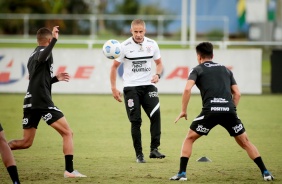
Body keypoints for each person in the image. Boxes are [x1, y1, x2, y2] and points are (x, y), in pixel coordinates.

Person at [170, 42, 274, 181]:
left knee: (189, 138)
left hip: (210, 112)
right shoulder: (226, 70)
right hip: (229, 111)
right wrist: (231, 110)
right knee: (245, 142)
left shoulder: (197, 69)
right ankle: (265, 172)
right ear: (212, 55)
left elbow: (187, 89)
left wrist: (183, 110)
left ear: (199, 56)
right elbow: (237, 94)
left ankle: (182, 174)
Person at [8, 26, 86, 178]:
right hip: (42, 101)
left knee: (25, 142)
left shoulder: (31, 56)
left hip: (30, 100)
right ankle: (69, 171)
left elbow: (37, 81)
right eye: (51, 40)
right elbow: (43, 56)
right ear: (48, 40)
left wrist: (55, 79)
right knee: (68, 133)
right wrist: (54, 42)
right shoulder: (43, 53)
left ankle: (4, 147)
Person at [110, 19, 165, 163]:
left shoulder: (152, 44)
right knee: (136, 122)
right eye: (136, 32)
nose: (139, 34)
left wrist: (157, 75)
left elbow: (159, 64)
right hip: (131, 88)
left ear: (145, 31)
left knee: (156, 114)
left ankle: (154, 149)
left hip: (148, 86)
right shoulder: (124, 47)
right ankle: (139, 155)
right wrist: (114, 88)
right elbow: (114, 67)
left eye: (141, 31)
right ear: (131, 31)